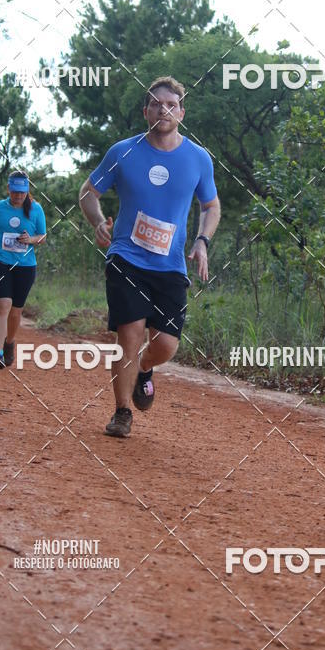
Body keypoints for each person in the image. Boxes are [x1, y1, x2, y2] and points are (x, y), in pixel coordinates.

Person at [79, 75, 221, 438]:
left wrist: (203, 240)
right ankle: (122, 411)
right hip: (126, 257)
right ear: (146, 111)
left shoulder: (198, 158)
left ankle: (144, 368)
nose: (164, 109)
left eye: (171, 104)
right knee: (130, 332)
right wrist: (97, 221)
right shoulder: (123, 151)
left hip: (170, 264)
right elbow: (88, 192)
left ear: (181, 112)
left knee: (166, 344)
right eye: (157, 103)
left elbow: (211, 205)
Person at [0, 171, 47, 369]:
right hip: (0, 262)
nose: (18, 196)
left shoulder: (36, 209)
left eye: (22, 192)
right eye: (15, 192)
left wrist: (31, 240)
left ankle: (10, 342)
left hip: (25, 266)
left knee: (15, 312)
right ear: (8, 189)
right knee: (3, 305)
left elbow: (42, 236)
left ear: (27, 191)